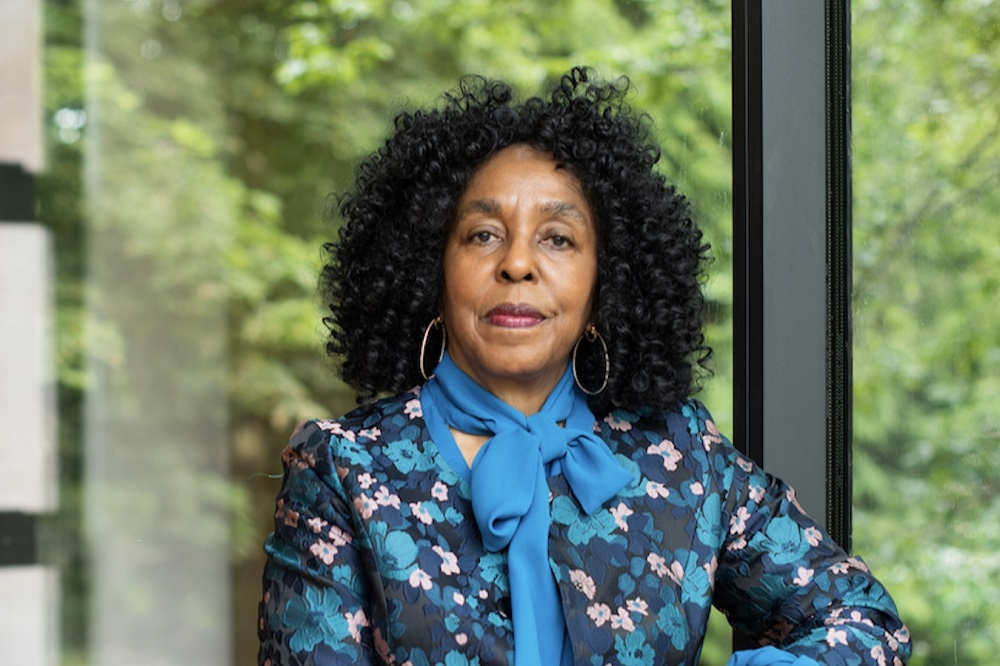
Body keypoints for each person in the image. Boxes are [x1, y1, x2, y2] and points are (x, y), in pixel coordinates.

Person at [257, 68, 910, 665]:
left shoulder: (681, 455)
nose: (517, 263)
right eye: (482, 234)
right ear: (432, 268)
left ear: (607, 283)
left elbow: (865, 625)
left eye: (558, 238)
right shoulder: (343, 470)